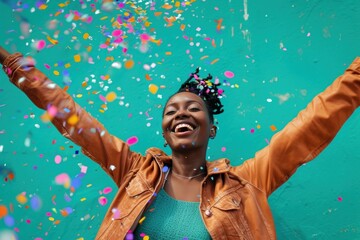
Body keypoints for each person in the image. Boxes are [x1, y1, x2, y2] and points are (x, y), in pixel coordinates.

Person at [1, 45, 359, 239]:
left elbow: (313, 124)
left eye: (193, 108)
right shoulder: (133, 171)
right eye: (171, 110)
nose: (181, 114)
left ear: (211, 129)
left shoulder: (248, 183)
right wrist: (15, 65)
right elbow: (72, 116)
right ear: (165, 130)